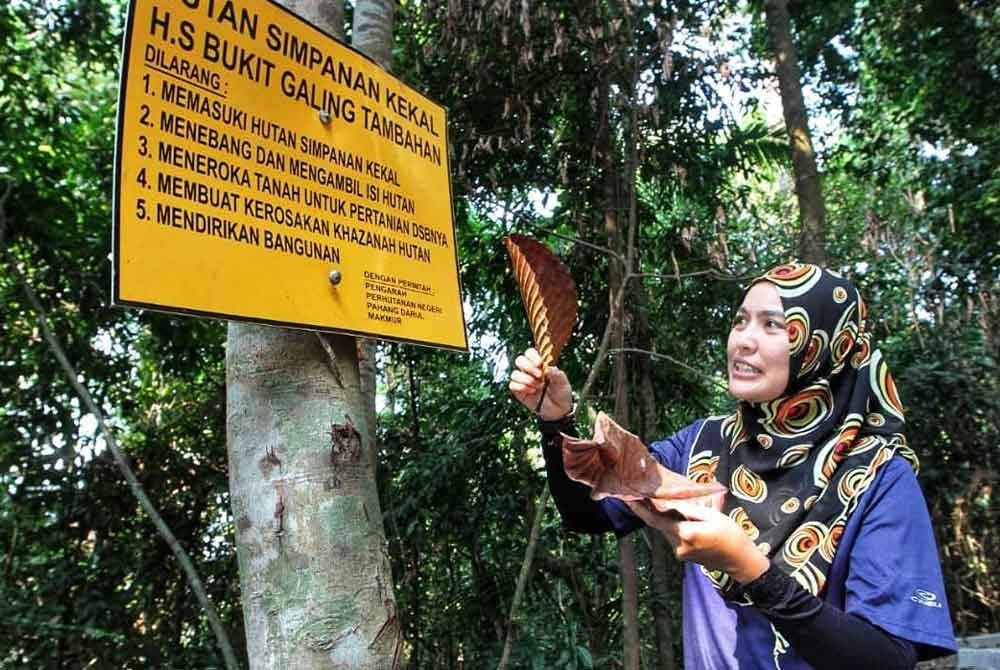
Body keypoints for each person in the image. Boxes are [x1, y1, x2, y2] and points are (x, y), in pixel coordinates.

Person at [509, 263, 957, 670]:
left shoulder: (879, 477)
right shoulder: (703, 445)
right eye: (740, 320)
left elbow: (888, 659)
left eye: (773, 325)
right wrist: (555, 423)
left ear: (823, 347)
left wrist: (751, 569)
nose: (743, 338)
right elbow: (589, 512)